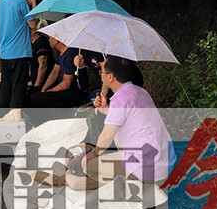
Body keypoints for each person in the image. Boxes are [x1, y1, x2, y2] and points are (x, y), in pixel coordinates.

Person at [65, 56, 172, 190]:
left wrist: (92, 155)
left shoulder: (120, 98)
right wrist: (105, 109)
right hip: (163, 162)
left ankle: (128, 185)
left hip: (145, 167)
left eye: (102, 72)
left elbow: (107, 136)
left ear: (111, 77)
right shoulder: (140, 91)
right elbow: (126, 117)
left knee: (89, 166)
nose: (100, 75)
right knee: (107, 155)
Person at [0, 0, 37, 110]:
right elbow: (32, 24)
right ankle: (15, 121)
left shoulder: (1, 1)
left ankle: (3, 119)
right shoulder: (21, 2)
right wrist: (34, 4)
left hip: (5, 51)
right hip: (20, 52)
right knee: (18, 89)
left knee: (6, 88)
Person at [28, 36, 86, 108]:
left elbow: (66, 83)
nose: (48, 40)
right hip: (61, 87)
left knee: (36, 98)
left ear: (56, 40)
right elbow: (55, 72)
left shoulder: (70, 54)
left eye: (50, 38)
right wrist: (44, 88)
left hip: (73, 91)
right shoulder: (60, 52)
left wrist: (50, 91)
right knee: (31, 91)